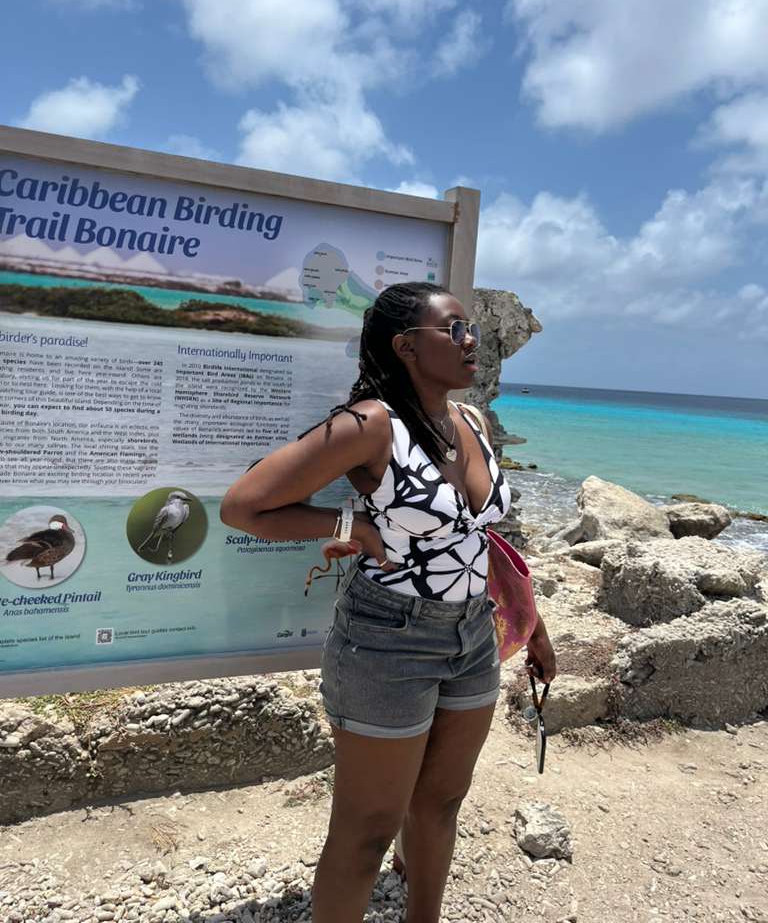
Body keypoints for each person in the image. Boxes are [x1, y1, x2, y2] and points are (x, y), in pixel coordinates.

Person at [220, 281, 556, 923]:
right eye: (454, 330)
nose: (471, 341)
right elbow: (245, 507)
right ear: (406, 346)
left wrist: (533, 628)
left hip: (474, 636)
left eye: (471, 329)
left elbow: (485, 534)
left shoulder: (473, 423)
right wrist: (347, 529)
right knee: (368, 830)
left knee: (439, 806)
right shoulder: (372, 425)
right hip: (389, 640)